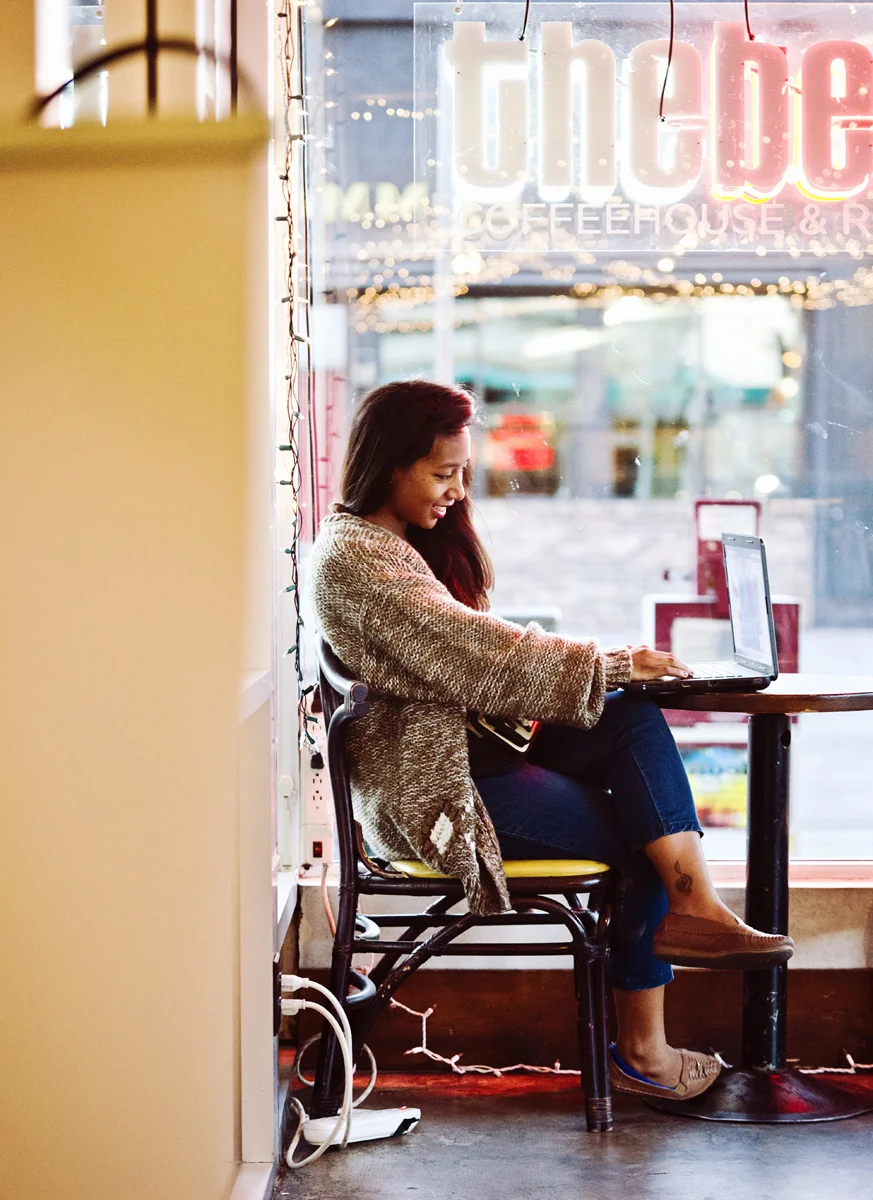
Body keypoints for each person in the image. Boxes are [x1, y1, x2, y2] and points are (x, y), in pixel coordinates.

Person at [308, 379, 793, 1102]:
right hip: (437, 792)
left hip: (469, 757)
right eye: (442, 474)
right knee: (642, 839)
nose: (457, 490)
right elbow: (478, 655)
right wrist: (613, 661)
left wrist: (613, 674)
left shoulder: (390, 545)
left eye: (464, 472)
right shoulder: (357, 562)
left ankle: (694, 906)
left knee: (627, 713)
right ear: (386, 463)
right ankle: (643, 1053)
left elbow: (482, 651)